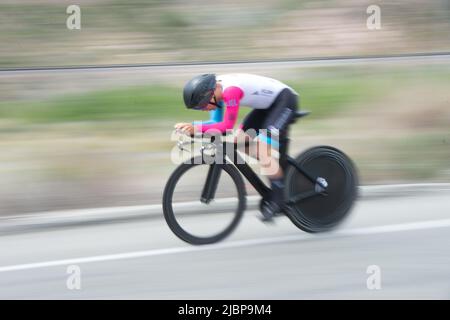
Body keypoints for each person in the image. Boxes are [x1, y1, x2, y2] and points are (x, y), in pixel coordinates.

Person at [175, 73, 298, 221]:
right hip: (267, 106)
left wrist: (196, 129)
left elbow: (226, 127)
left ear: (209, 95)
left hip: (284, 101)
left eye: (202, 105)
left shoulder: (230, 91)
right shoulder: (216, 91)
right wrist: (192, 127)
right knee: (240, 143)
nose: (203, 110)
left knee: (261, 150)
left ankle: (279, 199)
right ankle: (276, 169)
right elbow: (216, 123)